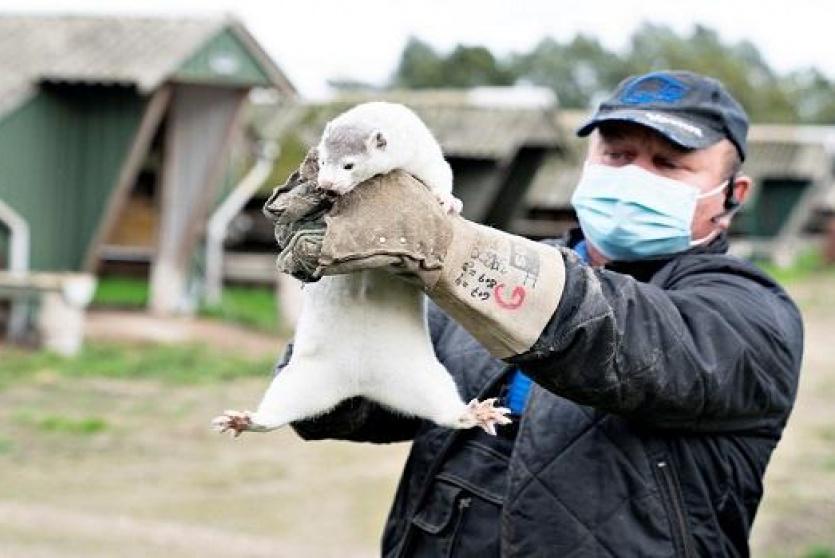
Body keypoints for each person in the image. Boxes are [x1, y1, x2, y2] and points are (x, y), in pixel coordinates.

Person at [273, 70, 804, 557]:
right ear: (588, 162)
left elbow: (622, 336)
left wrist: (447, 248)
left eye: (667, 164)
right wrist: (349, 299)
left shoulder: (752, 313)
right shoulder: (486, 275)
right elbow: (359, 408)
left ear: (733, 195)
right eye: (617, 155)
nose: (633, 176)